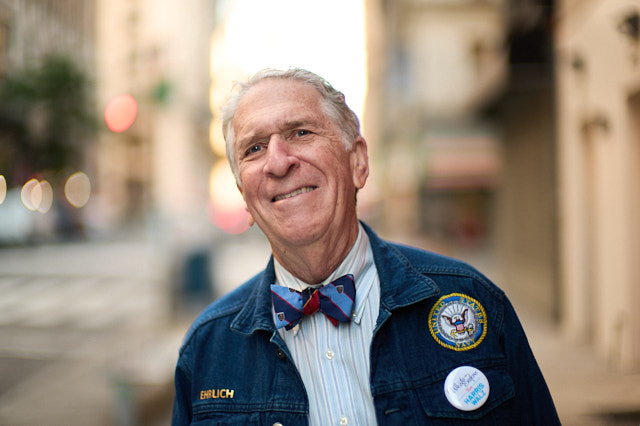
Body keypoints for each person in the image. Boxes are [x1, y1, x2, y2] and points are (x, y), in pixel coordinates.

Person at [171, 68, 560, 425]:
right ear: (244, 195)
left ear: (357, 162)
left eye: (300, 133)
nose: (277, 161)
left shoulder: (473, 300)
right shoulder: (207, 349)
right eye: (254, 148)